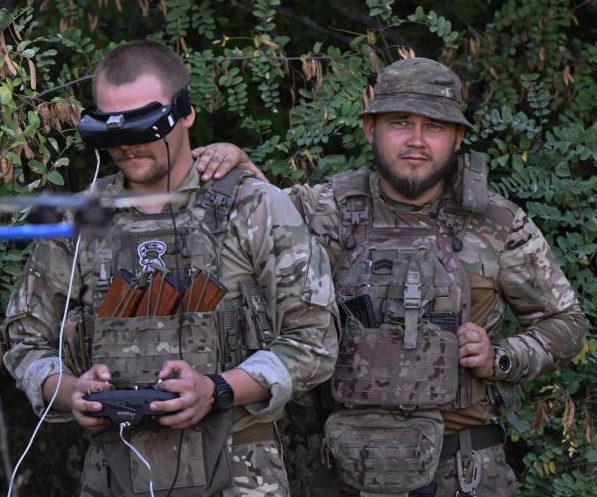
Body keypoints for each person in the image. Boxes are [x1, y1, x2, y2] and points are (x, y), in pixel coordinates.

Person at [193, 57, 587, 497]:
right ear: (370, 128)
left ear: (457, 138)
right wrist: (239, 165)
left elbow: (568, 323)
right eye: (400, 123)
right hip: (342, 471)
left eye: (434, 127)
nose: (416, 141)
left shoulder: (496, 223)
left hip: (462, 474)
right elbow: (252, 220)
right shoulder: (322, 209)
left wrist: (501, 356)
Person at [2, 40, 339, 496]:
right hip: (115, 471)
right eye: (113, 129)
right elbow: (24, 341)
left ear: (186, 114)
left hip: (238, 473)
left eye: (145, 124)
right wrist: (68, 391)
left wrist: (217, 389)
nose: (127, 144)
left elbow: (315, 341)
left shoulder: (254, 207)